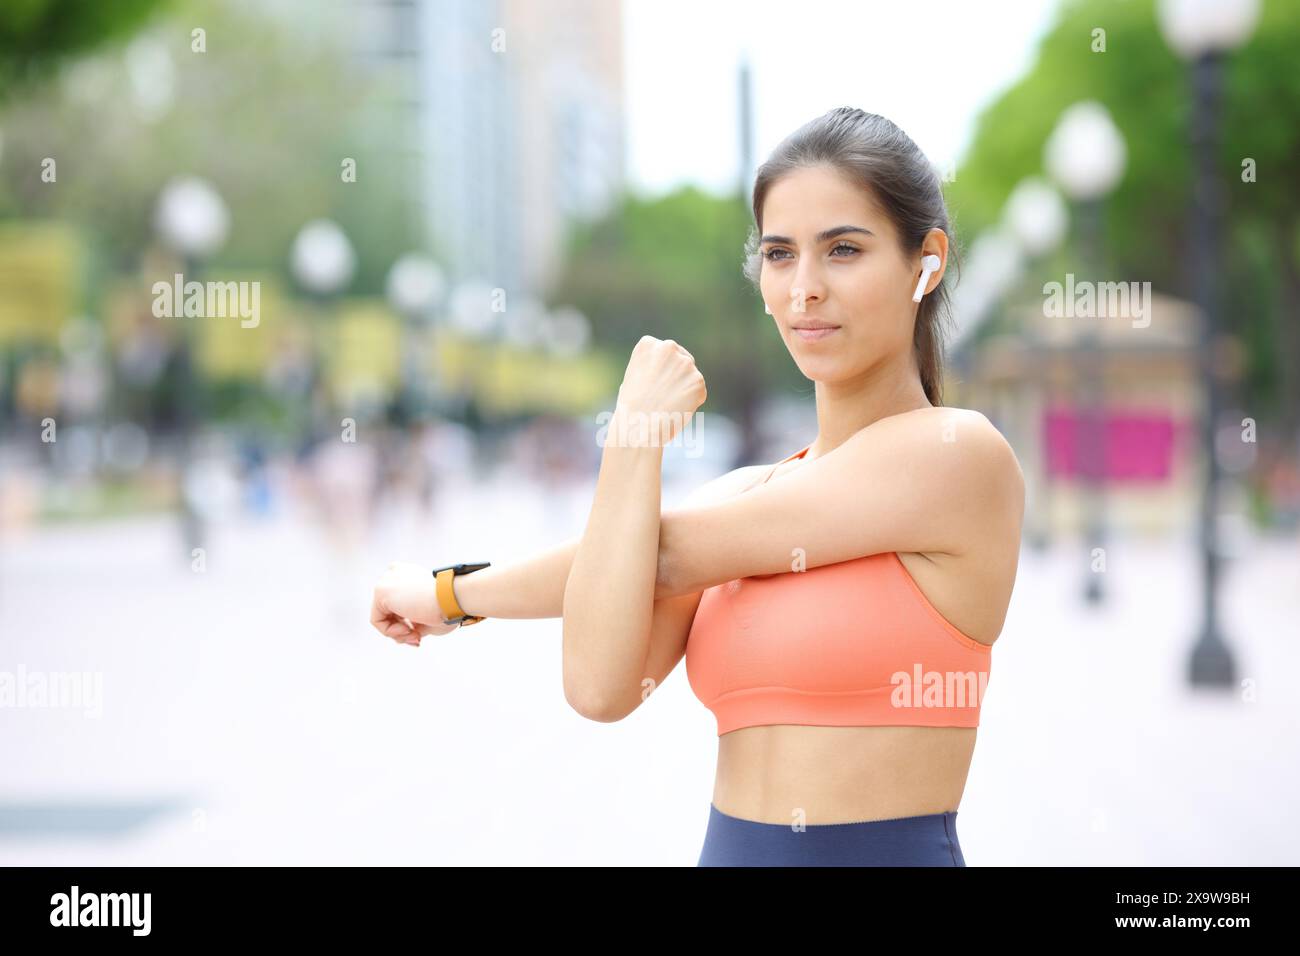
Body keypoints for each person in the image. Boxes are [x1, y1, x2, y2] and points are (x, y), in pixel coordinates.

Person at [369, 107, 1025, 866]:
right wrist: (452, 591)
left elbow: (662, 554)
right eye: (780, 255)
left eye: (843, 249)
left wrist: (630, 437)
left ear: (928, 261)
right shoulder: (745, 495)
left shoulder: (957, 455)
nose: (804, 289)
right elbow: (597, 684)